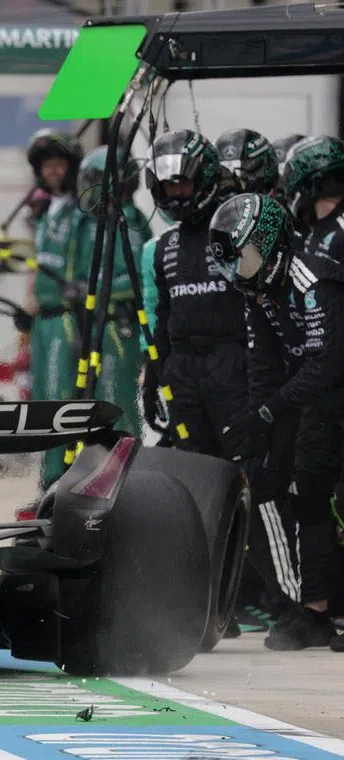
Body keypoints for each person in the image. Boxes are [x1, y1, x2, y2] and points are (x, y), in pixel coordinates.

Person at [209, 183, 344, 651]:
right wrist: (258, 423)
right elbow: (265, 363)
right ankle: (313, 611)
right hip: (313, 402)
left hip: (331, 392)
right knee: (298, 493)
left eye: (243, 257)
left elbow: (326, 362)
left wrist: (272, 410)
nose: (238, 271)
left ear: (272, 244)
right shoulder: (260, 291)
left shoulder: (315, 282)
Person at [145, 129, 249, 458]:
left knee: (245, 465)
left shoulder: (238, 232)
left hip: (234, 368)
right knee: (194, 467)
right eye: (168, 187)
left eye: (182, 185)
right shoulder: (165, 246)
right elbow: (163, 319)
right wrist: (152, 378)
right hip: (182, 373)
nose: (175, 195)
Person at [71, 145, 152, 439]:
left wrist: (91, 289)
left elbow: (135, 277)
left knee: (119, 400)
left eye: (94, 180)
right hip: (102, 326)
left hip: (121, 326)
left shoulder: (127, 220)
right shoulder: (102, 221)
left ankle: (128, 465)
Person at [22, 128, 85, 490]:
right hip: (43, 319)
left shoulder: (80, 212)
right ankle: (47, 482)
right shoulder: (44, 213)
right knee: (43, 399)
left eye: (60, 165)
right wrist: (26, 305)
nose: (53, 172)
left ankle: (63, 479)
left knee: (62, 398)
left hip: (65, 317)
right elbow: (36, 263)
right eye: (48, 166)